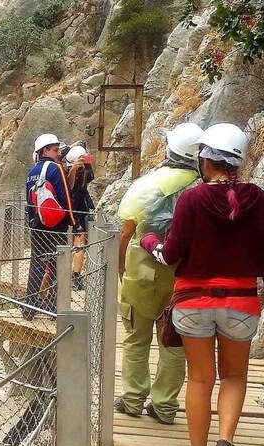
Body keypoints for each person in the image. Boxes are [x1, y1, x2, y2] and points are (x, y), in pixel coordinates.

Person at [139, 123, 264, 446]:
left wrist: (149, 242)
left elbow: (172, 253)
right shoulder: (257, 199)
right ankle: (225, 439)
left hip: (193, 302)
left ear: (206, 160)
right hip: (241, 303)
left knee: (200, 381)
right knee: (235, 376)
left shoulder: (192, 199)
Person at [114, 123, 203, 426]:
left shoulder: (147, 185)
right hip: (184, 277)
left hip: (143, 272)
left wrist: (121, 268)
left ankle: (133, 399)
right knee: (173, 342)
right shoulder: (202, 190)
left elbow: (126, 233)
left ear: (169, 150)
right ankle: (165, 405)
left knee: (137, 339)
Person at [23, 133, 74, 320]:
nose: (58, 153)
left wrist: (30, 223)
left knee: (36, 263)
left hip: (36, 225)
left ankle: (28, 308)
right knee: (55, 264)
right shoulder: (55, 168)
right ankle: (53, 308)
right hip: (56, 225)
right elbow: (65, 196)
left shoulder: (31, 172)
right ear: (45, 150)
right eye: (55, 149)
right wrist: (74, 223)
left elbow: (29, 201)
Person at [62, 144, 96, 290]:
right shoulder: (72, 172)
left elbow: (86, 179)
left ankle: (74, 274)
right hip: (76, 209)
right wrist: (74, 169)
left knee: (79, 242)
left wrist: (78, 168)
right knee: (78, 243)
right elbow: (70, 188)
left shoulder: (82, 172)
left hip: (77, 208)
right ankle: (74, 275)